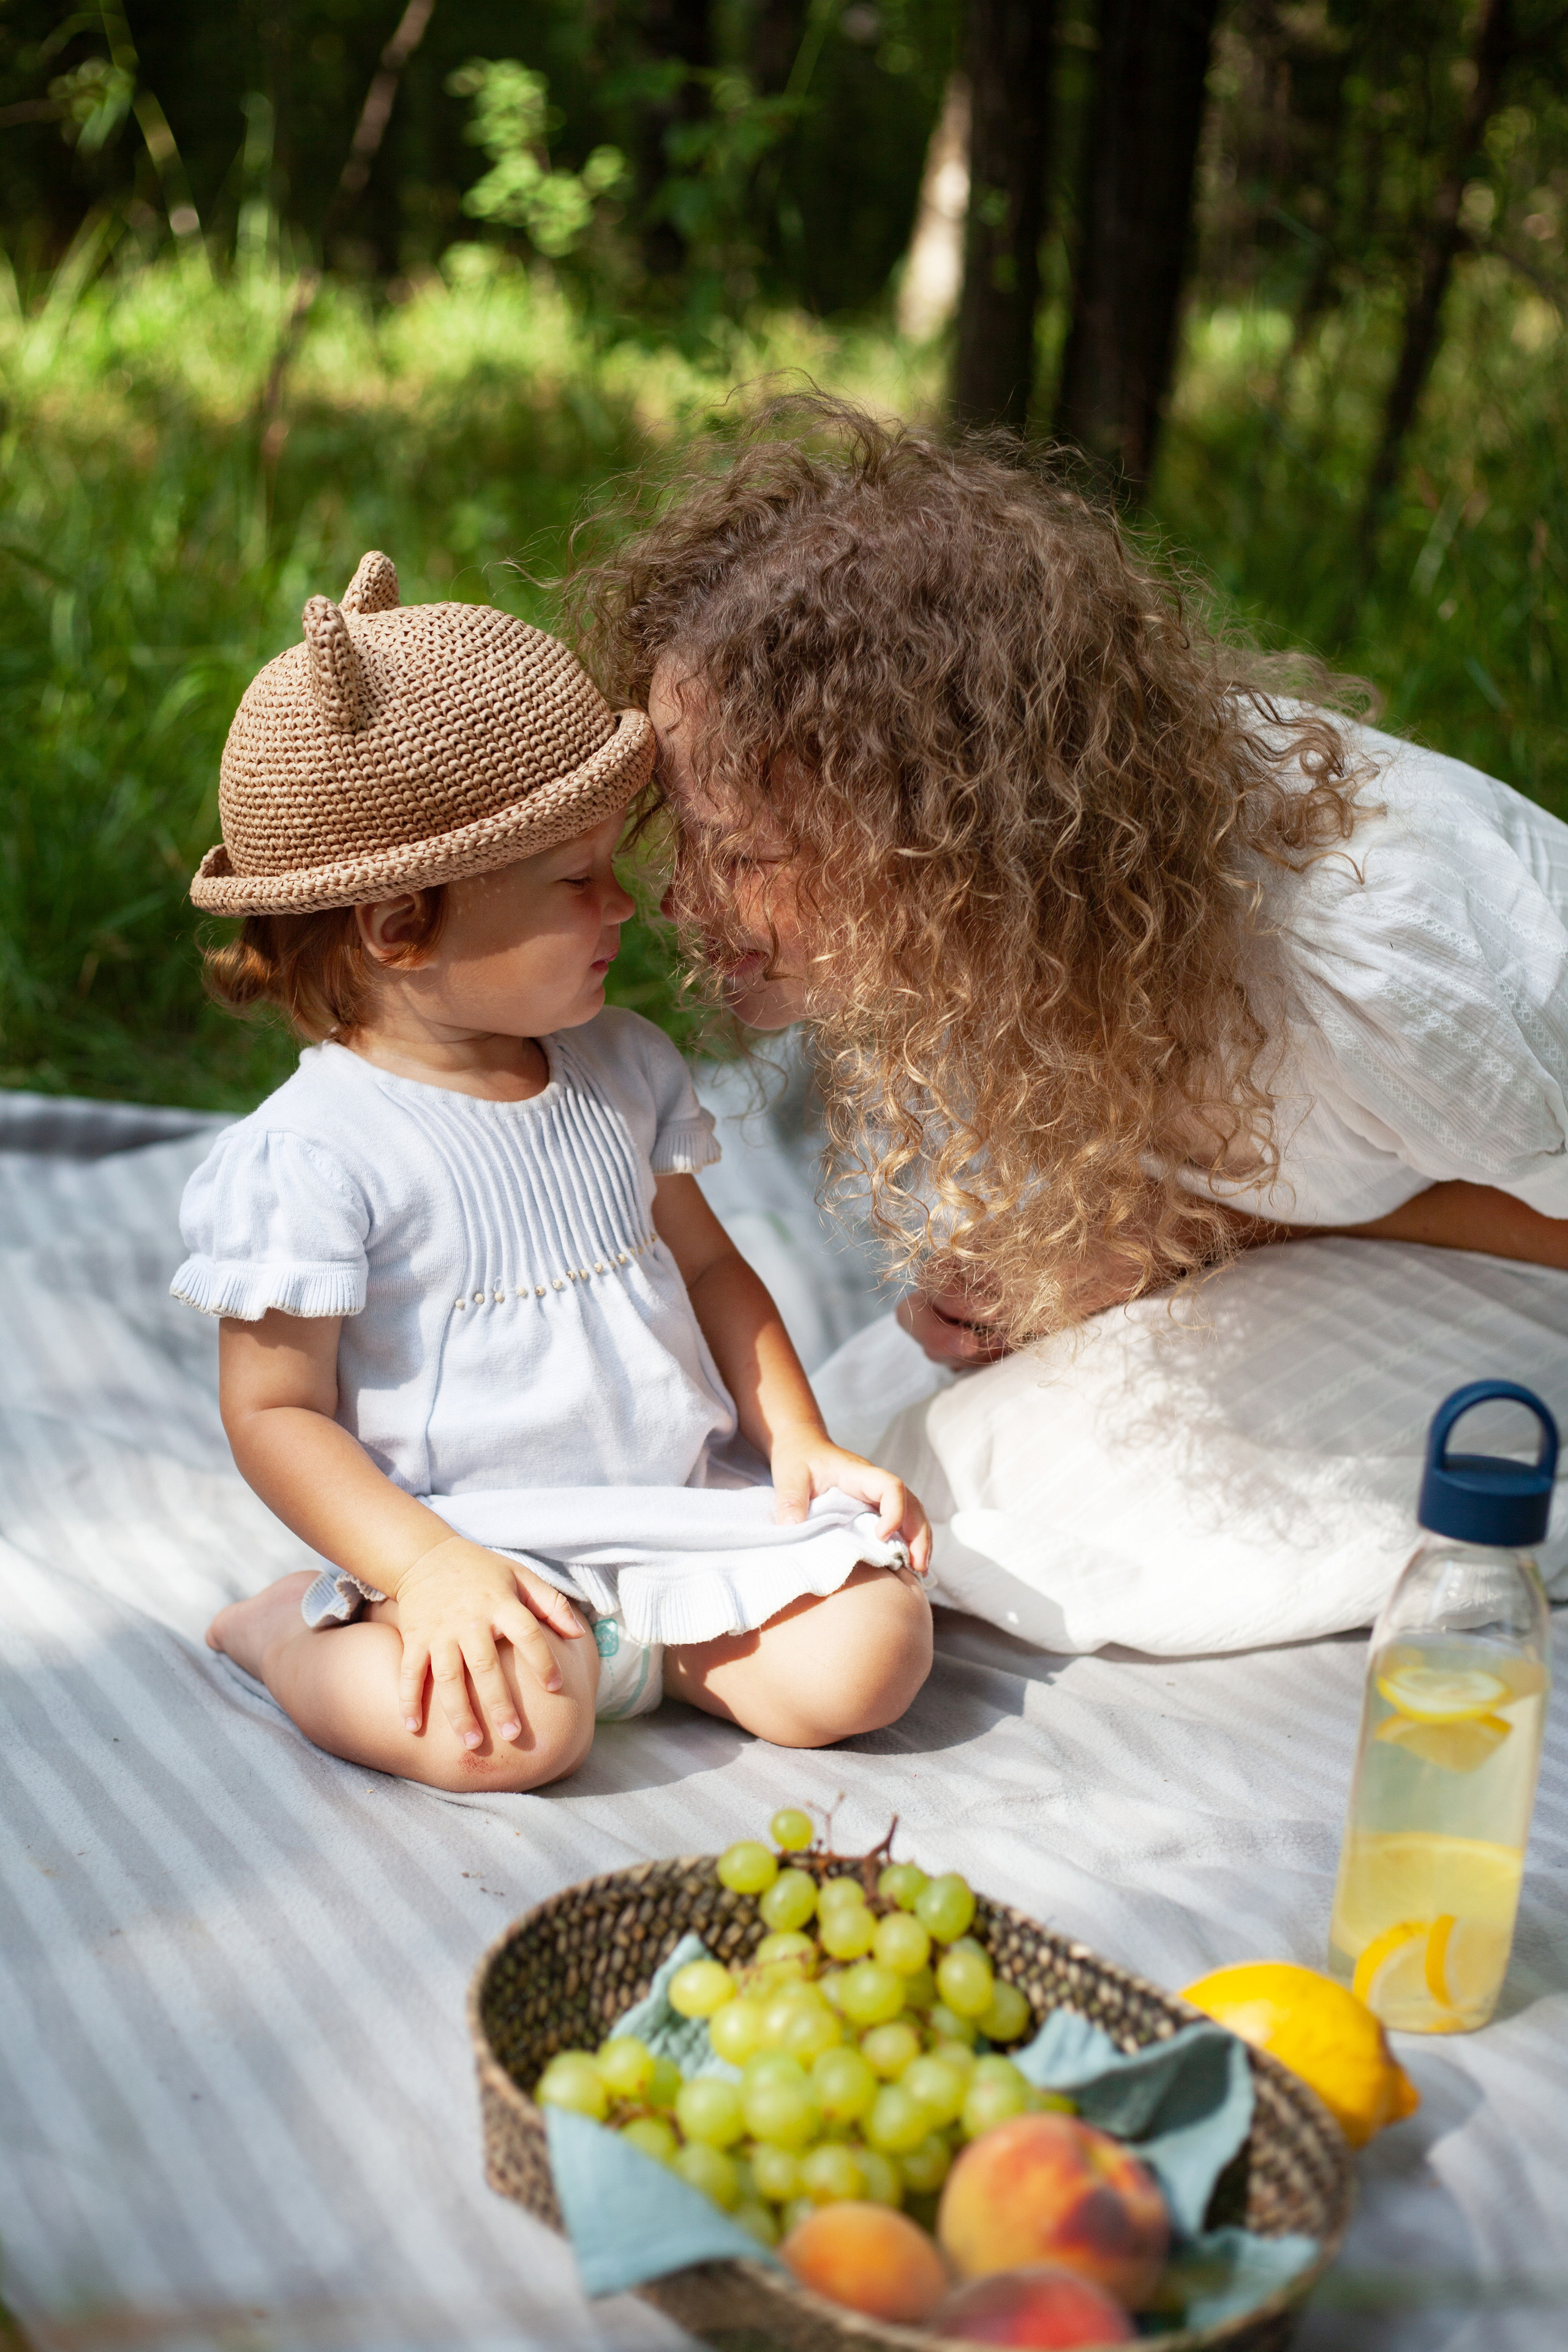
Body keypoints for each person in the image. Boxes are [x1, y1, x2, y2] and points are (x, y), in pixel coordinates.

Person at [565, 404, 1568, 1648]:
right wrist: (1063, 1251)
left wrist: (1195, 1233)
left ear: (943, 835)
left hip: (1525, 1250)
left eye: (746, 855)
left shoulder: (1388, 962)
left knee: (1036, 1520)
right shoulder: (1038, 913)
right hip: (1348, 1226)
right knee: (870, 1443)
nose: (682, 904)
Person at [175, 551, 932, 1795]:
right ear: (395, 926)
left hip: (675, 1511)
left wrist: (798, 1440)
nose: (624, 906)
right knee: (510, 1732)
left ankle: (670, 1656)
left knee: (871, 1655)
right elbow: (275, 1413)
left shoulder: (618, 1065)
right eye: (573, 883)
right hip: (475, 1546)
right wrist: (422, 1568)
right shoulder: (309, 1157)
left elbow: (710, 1269)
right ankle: (282, 1634)